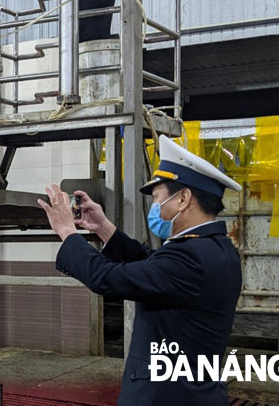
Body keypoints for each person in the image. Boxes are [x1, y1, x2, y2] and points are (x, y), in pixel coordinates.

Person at [38, 135, 243, 406]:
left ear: (183, 199)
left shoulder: (191, 257)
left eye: (158, 198)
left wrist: (67, 231)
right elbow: (152, 265)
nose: (155, 207)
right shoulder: (215, 248)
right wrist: (103, 228)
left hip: (167, 397)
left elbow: (107, 279)